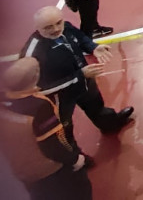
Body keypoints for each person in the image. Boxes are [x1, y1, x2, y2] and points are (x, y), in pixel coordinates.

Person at [21, 7, 133, 146]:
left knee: (97, 107)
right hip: (61, 96)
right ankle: (75, 158)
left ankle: (111, 124)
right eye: (48, 27)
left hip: (84, 80)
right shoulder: (32, 54)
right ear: (37, 28)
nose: (56, 29)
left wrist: (93, 47)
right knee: (64, 126)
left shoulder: (65, 27)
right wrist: (79, 76)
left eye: (58, 23)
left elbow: (79, 37)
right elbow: (39, 89)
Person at [0, 57, 92, 200]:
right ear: (36, 76)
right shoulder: (39, 107)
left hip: (22, 170)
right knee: (80, 190)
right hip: (49, 170)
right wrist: (74, 159)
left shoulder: (4, 101)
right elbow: (52, 144)